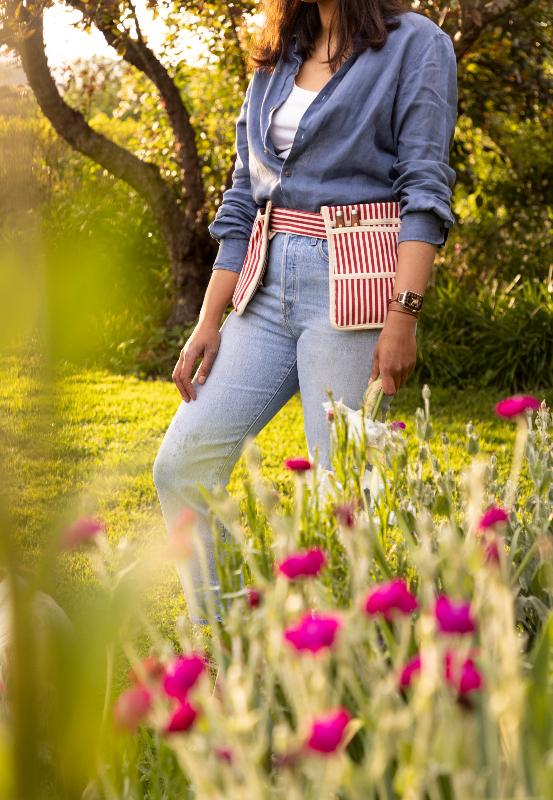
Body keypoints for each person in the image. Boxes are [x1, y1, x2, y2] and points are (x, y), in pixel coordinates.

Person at [153, 0, 458, 625]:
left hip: (353, 289)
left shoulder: (417, 44)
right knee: (182, 465)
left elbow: (424, 187)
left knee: (339, 500)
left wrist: (404, 315)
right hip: (263, 289)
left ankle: (339, 670)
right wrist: (210, 318)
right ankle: (231, 645)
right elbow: (243, 194)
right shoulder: (278, 53)